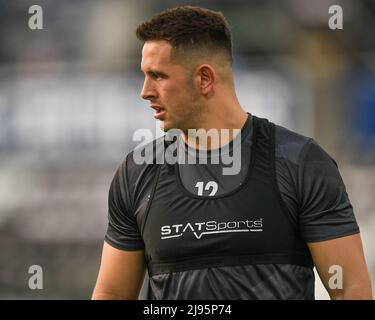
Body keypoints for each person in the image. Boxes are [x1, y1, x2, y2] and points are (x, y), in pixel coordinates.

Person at [92, 6, 373, 300]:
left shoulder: (300, 162)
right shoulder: (138, 172)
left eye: (158, 76)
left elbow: (351, 291)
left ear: (204, 79)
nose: (145, 91)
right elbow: (112, 294)